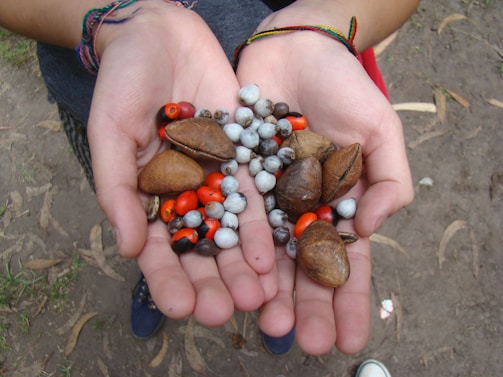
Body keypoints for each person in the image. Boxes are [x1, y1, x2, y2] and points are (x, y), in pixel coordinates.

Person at [0, 0, 416, 356]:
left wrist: (320, 26)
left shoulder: (274, 153)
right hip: (123, 112)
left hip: (291, 78)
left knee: (262, 256)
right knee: (143, 210)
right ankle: (158, 277)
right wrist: (119, 23)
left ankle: (278, 295)